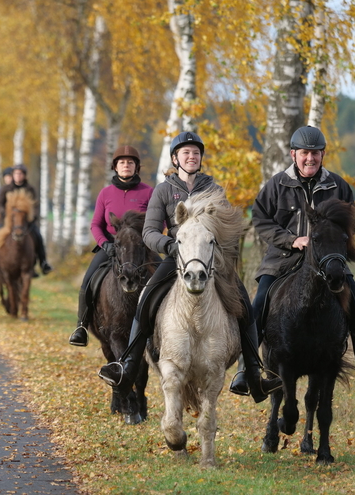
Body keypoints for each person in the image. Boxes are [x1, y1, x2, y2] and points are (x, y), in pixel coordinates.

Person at [98, 132, 282, 403]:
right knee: (147, 298)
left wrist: (218, 250)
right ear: (175, 158)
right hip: (176, 255)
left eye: (196, 152)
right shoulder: (163, 190)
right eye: (185, 152)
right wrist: (169, 245)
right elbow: (149, 231)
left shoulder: (214, 190)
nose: (192, 156)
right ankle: (128, 366)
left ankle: (253, 374)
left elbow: (227, 230)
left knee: (244, 303)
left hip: (209, 259)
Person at [251, 125, 355, 397]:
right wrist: (292, 240)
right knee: (259, 302)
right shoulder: (276, 185)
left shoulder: (338, 185)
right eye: (304, 153)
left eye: (315, 153)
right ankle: (249, 373)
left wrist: (331, 238)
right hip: (282, 260)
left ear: (323, 154)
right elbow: (260, 220)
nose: (310, 159)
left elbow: (353, 221)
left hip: (327, 262)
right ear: (294, 154)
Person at [68, 145, 156, 346]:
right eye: (122, 162)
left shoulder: (148, 192)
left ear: (137, 167)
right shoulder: (105, 193)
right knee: (88, 281)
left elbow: (159, 222)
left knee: (165, 279)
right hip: (112, 248)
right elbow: (95, 224)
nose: (126, 165)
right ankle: (81, 326)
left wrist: (151, 240)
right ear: (115, 167)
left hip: (141, 250)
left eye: (130, 162)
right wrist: (105, 244)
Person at [0, 164, 52, 279]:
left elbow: (35, 205)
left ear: (24, 175)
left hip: (25, 222)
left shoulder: (30, 189)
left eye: (20, 174)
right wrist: (5, 213)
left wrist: (33, 216)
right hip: (8, 222)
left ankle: (43, 263)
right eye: (15, 174)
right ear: (13, 175)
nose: (18, 176)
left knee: (38, 236)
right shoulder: (6, 189)